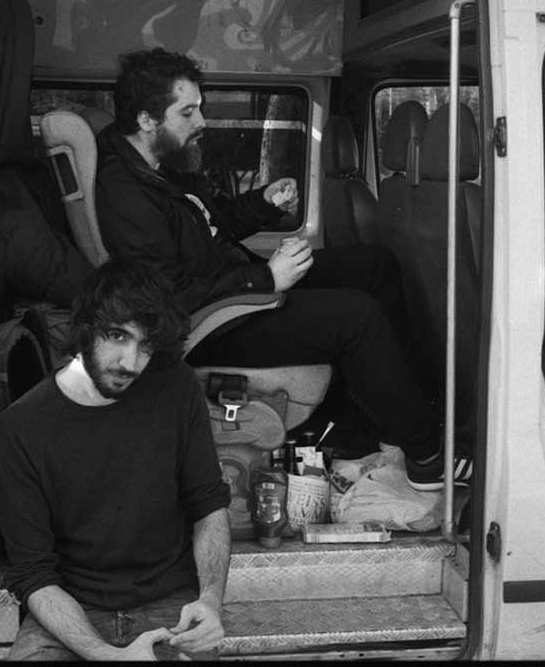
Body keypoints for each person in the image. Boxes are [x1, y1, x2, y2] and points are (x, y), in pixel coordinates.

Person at [92, 47, 462, 490]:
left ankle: (372, 424)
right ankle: (427, 454)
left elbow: (213, 227)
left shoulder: (163, 167)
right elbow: (165, 295)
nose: (202, 122)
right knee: (356, 316)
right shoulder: (124, 192)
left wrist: (263, 203)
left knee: (374, 265)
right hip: (205, 326)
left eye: (200, 108)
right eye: (187, 112)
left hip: (230, 292)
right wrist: (266, 278)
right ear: (146, 119)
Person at [0, 259, 231, 660]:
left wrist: (210, 600)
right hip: (70, 608)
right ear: (85, 329)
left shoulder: (177, 388)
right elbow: (33, 574)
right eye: (117, 336)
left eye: (146, 345)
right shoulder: (23, 424)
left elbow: (208, 507)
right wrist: (107, 655)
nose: (130, 362)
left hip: (169, 601)